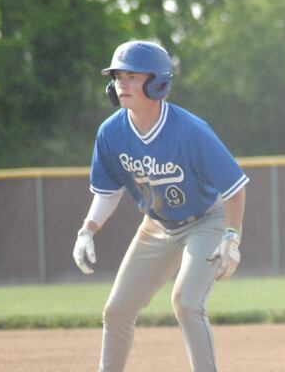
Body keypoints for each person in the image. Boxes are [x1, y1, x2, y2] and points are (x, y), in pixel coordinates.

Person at [72, 40, 248, 372]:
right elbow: (108, 192)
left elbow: (235, 188)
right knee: (117, 311)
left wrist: (231, 236)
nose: (121, 83)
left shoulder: (190, 130)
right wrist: (87, 229)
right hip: (157, 226)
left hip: (205, 221)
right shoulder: (110, 133)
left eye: (132, 76)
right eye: (118, 77)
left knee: (187, 303)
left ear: (158, 82)